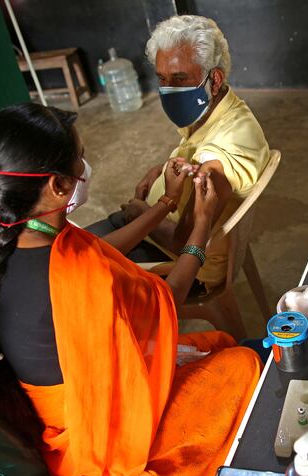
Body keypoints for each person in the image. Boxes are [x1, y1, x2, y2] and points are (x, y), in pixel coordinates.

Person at [0, 103, 260, 476]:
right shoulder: (79, 275)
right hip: (95, 443)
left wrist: (166, 203)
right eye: (80, 156)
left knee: (215, 344)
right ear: (56, 185)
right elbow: (168, 303)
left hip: (48, 413)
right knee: (242, 363)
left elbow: (98, 249)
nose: (87, 165)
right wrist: (201, 227)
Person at [87, 15, 270, 291]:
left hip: (177, 259)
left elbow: (184, 242)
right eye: (162, 78)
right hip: (157, 226)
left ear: (215, 79)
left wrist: (143, 212)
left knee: (71, 267)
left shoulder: (218, 157)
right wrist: (163, 171)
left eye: (180, 78)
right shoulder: (225, 112)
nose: (169, 89)